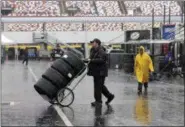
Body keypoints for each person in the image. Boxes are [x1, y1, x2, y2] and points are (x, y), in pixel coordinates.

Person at [87, 38, 114, 107]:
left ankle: (98, 101)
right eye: (92, 42)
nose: (92, 43)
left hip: (101, 71)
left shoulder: (101, 50)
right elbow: (91, 58)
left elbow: (102, 60)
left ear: (97, 43)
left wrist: (91, 60)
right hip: (95, 71)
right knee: (99, 86)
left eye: (93, 42)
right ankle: (109, 96)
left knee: (98, 87)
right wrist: (88, 60)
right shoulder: (93, 50)